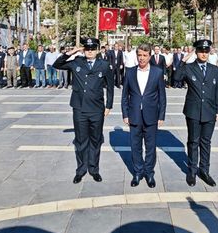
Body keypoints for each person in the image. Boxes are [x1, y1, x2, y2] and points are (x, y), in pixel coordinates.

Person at [53, 37, 114, 184]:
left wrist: (109, 106)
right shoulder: (77, 62)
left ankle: (94, 169)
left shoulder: (104, 65)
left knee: (95, 140)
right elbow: (57, 64)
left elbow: (110, 87)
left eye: (93, 49)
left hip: (97, 109)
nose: (90, 51)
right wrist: (73, 51)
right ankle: (81, 170)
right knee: (81, 141)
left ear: (98, 50)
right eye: (87, 49)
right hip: (79, 108)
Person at [174, 39, 218, 187]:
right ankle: (192, 171)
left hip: (210, 111)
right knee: (193, 142)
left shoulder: (215, 70)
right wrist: (184, 60)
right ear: (196, 52)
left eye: (206, 51)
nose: (204, 54)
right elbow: (176, 78)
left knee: (206, 142)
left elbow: (217, 92)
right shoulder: (189, 67)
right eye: (201, 51)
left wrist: (217, 110)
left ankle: (204, 170)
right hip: (193, 111)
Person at [121, 43, 167, 188]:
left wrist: (161, 116)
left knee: (150, 146)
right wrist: (125, 113)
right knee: (135, 146)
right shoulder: (129, 72)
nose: (141, 58)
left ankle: (149, 173)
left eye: (145, 55)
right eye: (139, 55)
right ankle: (137, 172)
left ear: (150, 56)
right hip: (134, 115)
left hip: (151, 115)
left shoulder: (157, 72)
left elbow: (162, 96)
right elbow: (124, 96)